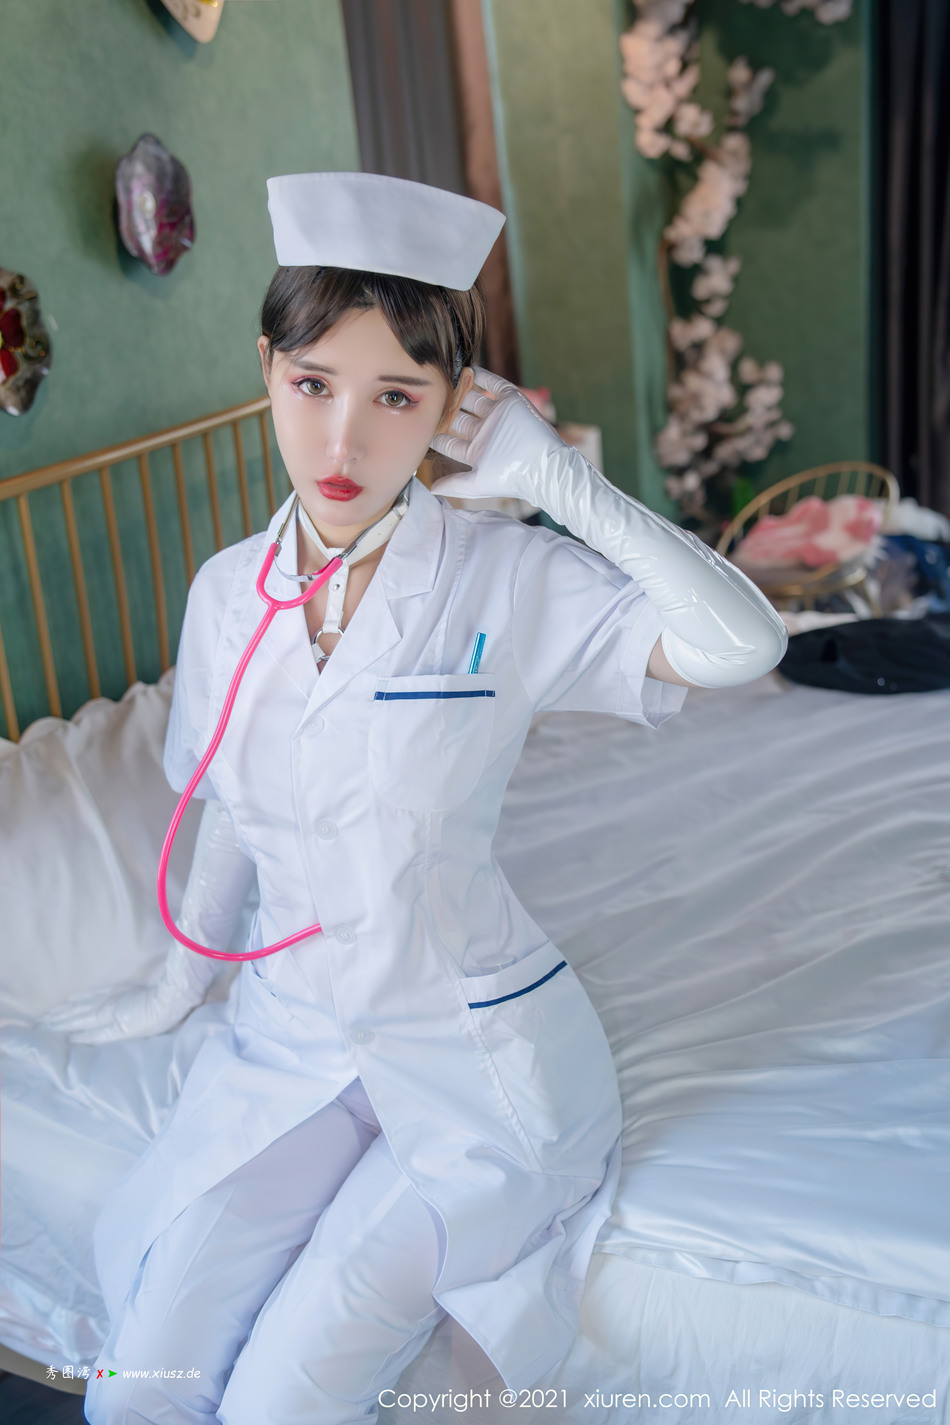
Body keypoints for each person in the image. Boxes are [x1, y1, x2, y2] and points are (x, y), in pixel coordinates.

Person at [47, 172, 787, 1424]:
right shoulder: (226, 593)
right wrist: (176, 985)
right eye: (312, 385)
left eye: (396, 395)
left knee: (280, 1401)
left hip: (474, 1058)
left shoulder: (504, 579)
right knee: (135, 1388)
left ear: (452, 407)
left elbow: (743, 644)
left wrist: (561, 484)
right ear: (265, 370)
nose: (343, 442)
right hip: (286, 1044)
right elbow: (230, 805)